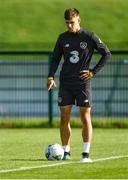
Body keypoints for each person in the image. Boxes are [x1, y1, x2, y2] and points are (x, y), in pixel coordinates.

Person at [47, 8, 111, 162]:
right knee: (64, 117)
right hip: (66, 83)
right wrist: (50, 76)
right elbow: (55, 58)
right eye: (67, 23)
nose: (69, 25)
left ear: (78, 20)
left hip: (83, 83)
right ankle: (65, 152)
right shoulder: (62, 38)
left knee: (85, 116)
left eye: (72, 22)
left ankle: (85, 154)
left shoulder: (89, 36)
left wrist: (92, 72)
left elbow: (106, 54)